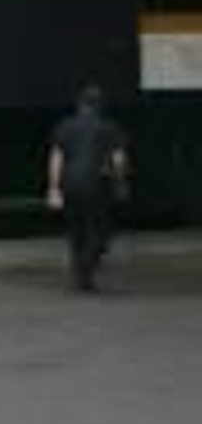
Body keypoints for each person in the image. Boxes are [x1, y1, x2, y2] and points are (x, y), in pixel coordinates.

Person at [45, 85, 130, 293]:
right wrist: (120, 183)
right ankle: (83, 270)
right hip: (96, 185)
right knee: (100, 235)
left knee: (76, 232)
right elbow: (119, 159)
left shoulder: (64, 126)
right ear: (100, 106)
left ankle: (82, 277)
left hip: (69, 184)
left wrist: (54, 189)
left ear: (79, 104)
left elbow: (56, 159)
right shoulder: (109, 127)